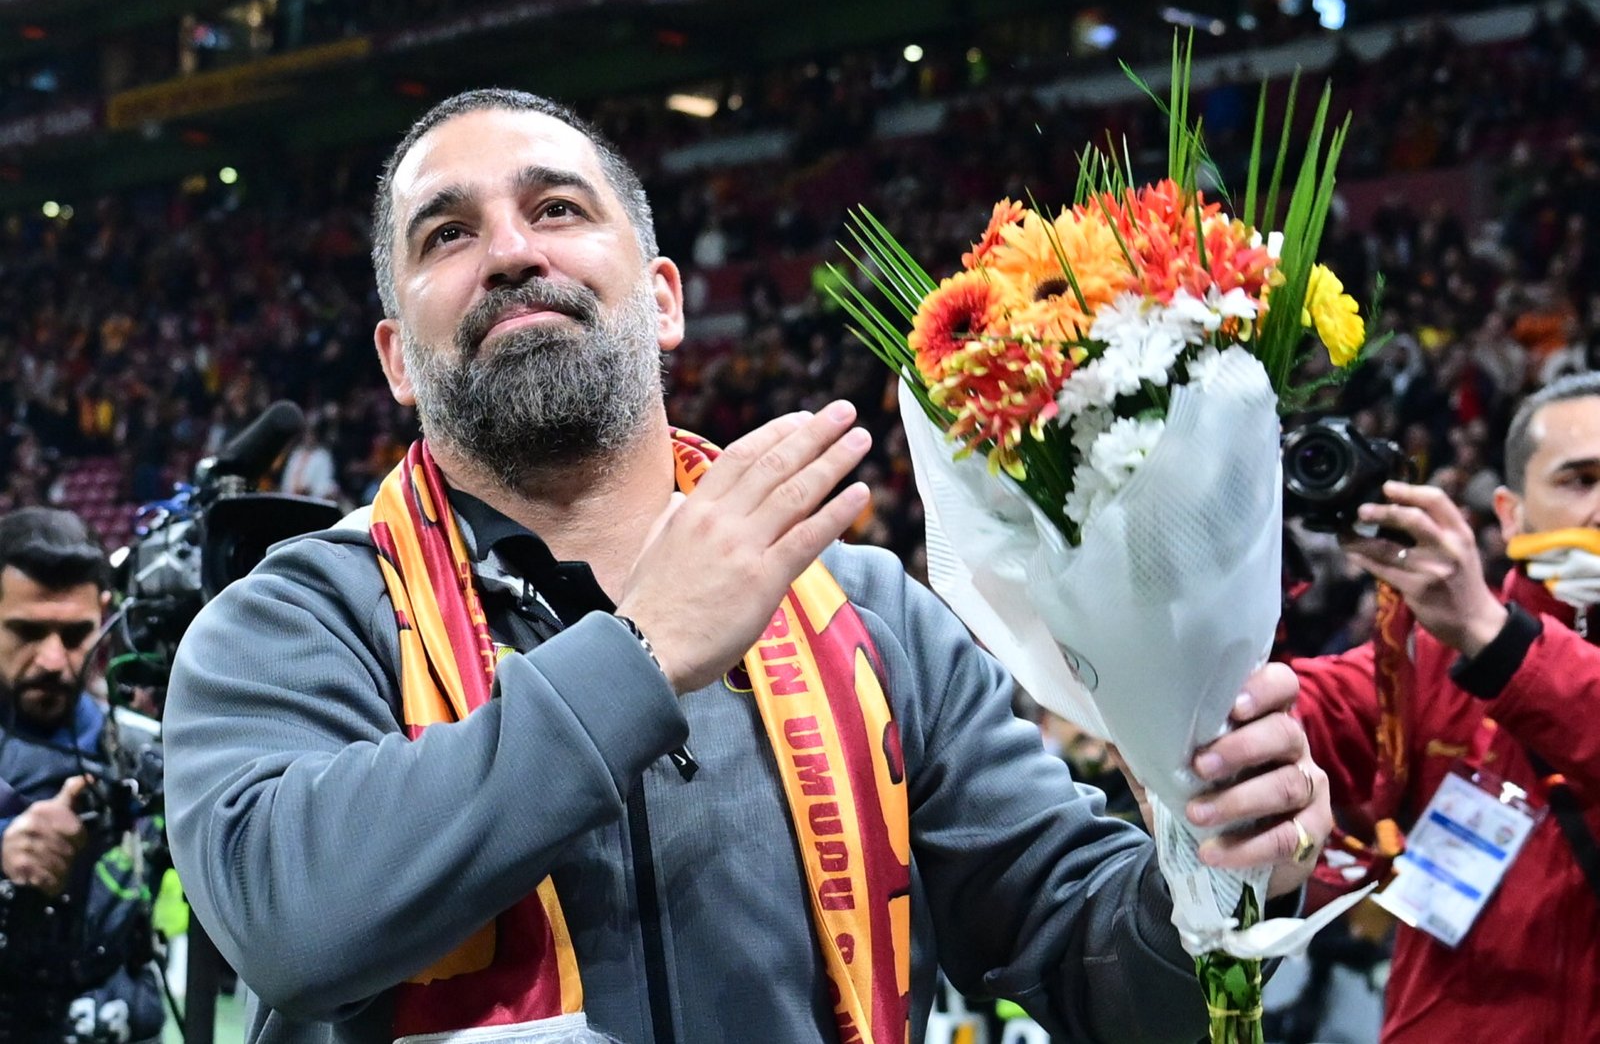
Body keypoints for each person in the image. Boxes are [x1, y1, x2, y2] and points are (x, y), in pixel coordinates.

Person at [163, 89, 1333, 1044]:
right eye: (448, 234)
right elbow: (289, 923)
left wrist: (1215, 874)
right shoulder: (290, 619)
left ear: (664, 301)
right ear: (397, 362)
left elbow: (1097, 969)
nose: (512, 252)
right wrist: (643, 652)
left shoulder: (866, 609)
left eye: (558, 209)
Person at [1294, 370, 1600, 1042]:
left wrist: (1499, 642)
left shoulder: (1475, 636)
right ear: (1512, 513)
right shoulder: (1432, 652)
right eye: (1580, 481)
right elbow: (1296, 711)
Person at [0, 507, 164, 1043]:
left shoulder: (142, 750)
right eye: (26, 631)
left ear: (106, 615)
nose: (53, 659)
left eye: (75, 635)